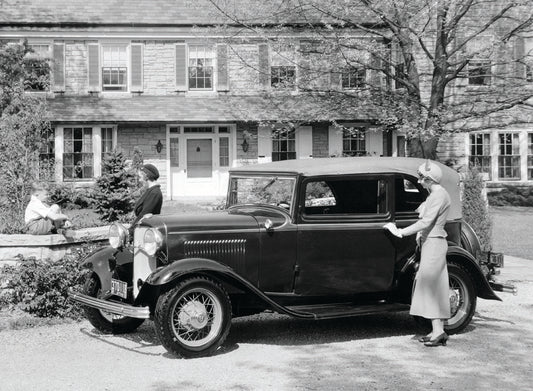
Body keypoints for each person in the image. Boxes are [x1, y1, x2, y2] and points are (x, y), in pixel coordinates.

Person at [384, 160, 451, 347]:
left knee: (430, 286)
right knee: (431, 286)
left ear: (430, 180)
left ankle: (438, 331)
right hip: (429, 243)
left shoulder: (438, 196)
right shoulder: (434, 195)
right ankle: (437, 330)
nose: (420, 182)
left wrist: (401, 231)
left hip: (434, 244)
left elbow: (426, 222)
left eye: (422, 178)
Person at [129, 163, 163, 237]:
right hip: (143, 229)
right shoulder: (150, 190)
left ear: (146, 176)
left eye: (140, 177)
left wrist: (131, 230)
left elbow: (144, 214)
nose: (139, 180)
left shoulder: (155, 193)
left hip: (147, 232)